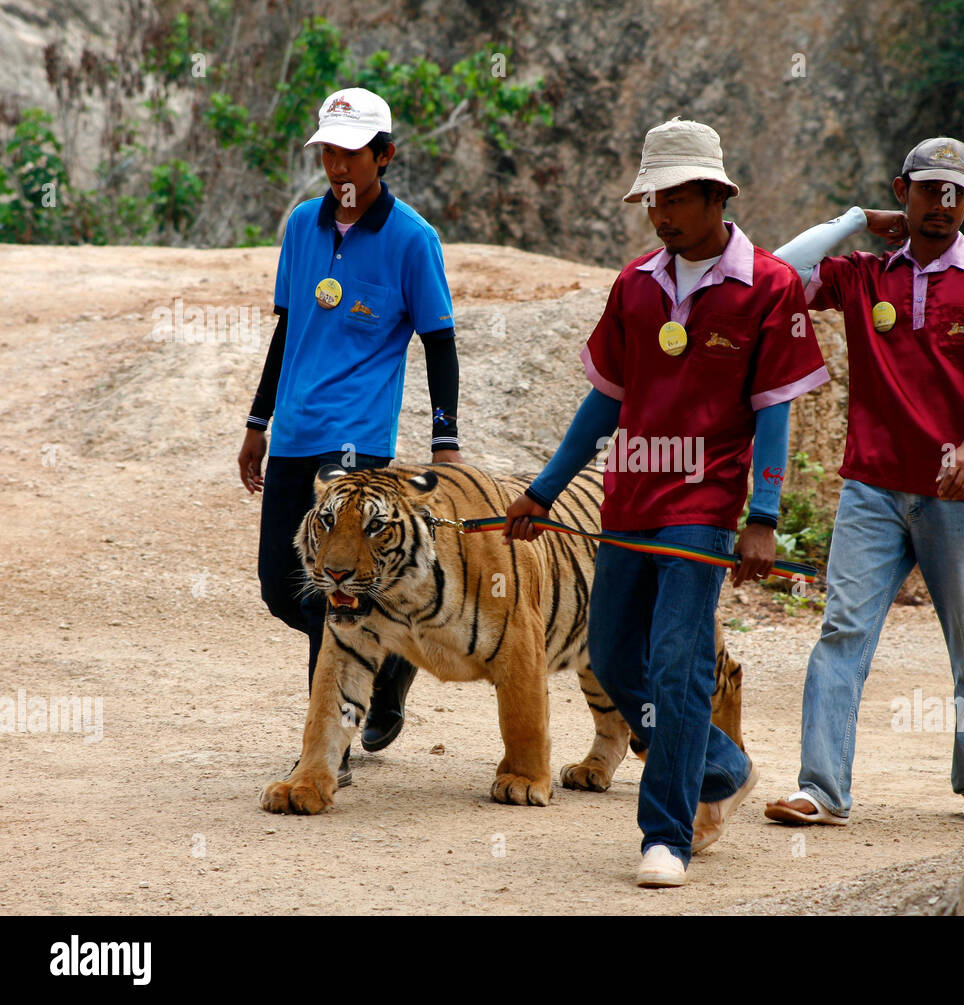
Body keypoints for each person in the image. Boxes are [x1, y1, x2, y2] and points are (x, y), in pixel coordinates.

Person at [502, 117, 843, 887]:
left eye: (674, 198)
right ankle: (717, 764)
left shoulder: (769, 285)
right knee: (616, 654)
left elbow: (774, 407)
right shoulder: (634, 284)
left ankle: (666, 833)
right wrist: (543, 491)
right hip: (628, 495)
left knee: (677, 656)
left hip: (706, 499)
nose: (659, 213)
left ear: (715, 195)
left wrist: (763, 515)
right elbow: (604, 404)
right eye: (651, 198)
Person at [763, 137, 964, 827]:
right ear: (903, 192)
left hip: (961, 489)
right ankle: (823, 788)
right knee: (842, 631)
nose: (943, 204)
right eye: (929, 189)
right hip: (871, 483)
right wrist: (853, 220)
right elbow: (775, 272)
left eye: (957, 192)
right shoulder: (864, 275)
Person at [237, 87, 461, 785]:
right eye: (328, 151)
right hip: (295, 433)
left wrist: (445, 440)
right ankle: (389, 658)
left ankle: (326, 748)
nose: (337, 164)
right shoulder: (302, 226)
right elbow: (287, 330)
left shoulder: (412, 240)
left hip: (356, 444)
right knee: (283, 586)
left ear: (383, 156)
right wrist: (257, 422)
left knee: (330, 590)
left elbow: (441, 341)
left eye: (351, 152)